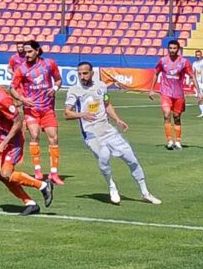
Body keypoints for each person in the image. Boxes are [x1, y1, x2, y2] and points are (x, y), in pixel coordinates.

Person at [64, 62, 161, 205]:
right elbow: (67, 113)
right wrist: (82, 114)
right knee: (104, 156)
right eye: (79, 74)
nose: (82, 76)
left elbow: (107, 104)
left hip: (107, 129)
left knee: (131, 158)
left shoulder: (101, 86)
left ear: (92, 73)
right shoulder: (74, 90)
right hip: (91, 133)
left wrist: (117, 119)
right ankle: (111, 186)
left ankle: (145, 193)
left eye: (85, 73)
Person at [0, 66, 54, 216]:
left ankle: (42, 185)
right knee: (1, 176)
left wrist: (3, 144)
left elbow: (18, 122)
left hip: (12, 141)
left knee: (6, 173)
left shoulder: (2, 98)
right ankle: (30, 203)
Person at [10, 40, 64, 184]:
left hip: (48, 109)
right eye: (25, 52)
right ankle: (38, 171)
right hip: (31, 110)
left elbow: (58, 80)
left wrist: (55, 89)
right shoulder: (21, 69)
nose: (26, 55)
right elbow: (12, 88)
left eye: (29, 52)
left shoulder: (49, 64)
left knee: (54, 138)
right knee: (34, 135)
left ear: (37, 50)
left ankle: (54, 173)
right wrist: (22, 99)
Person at [148, 39, 195, 150]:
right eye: (170, 48)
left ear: (178, 49)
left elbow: (192, 76)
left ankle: (178, 141)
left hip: (178, 94)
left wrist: (199, 93)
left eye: (174, 48)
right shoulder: (162, 61)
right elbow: (156, 73)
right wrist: (151, 89)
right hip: (166, 93)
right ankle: (169, 141)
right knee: (166, 114)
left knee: (177, 117)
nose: (172, 50)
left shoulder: (184, 62)